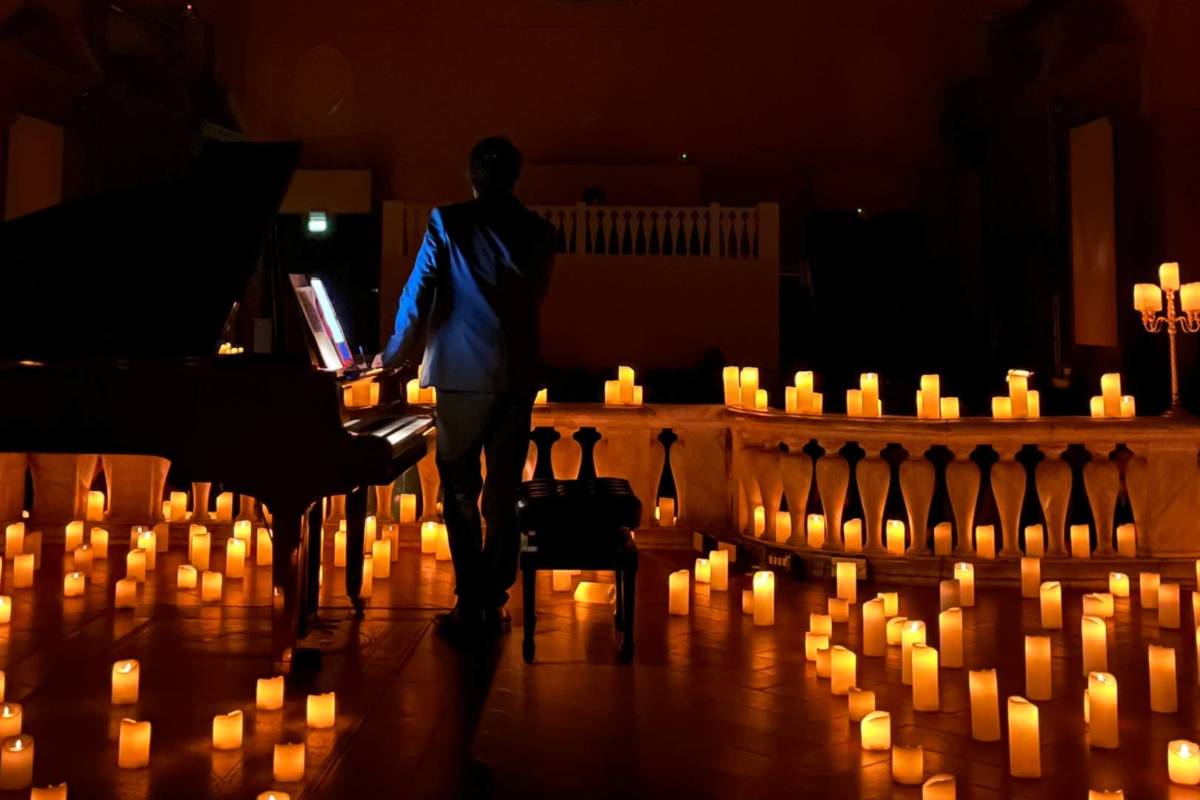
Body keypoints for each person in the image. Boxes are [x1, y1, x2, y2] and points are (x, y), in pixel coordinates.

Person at [379, 137, 556, 639]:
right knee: (502, 494)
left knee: (459, 490)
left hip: (462, 375)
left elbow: (418, 295)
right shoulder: (541, 233)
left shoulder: (448, 222)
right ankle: (493, 595)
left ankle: (469, 599)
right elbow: (528, 304)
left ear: (473, 175)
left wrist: (393, 356)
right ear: (515, 177)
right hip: (517, 376)